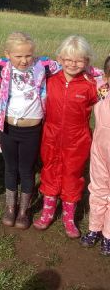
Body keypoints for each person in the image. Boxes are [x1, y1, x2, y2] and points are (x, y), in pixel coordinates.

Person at [34, 35, 99, 238]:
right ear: (60, 59)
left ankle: (69, 217)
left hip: (77, 138)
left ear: (86, 61)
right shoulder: (49, 80)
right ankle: (48, 211)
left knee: (72, 174)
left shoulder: (91, 85)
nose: (72, 64)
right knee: (50, 169)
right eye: (68, 59)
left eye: (78, 60)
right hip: (51, 135)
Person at [0, 32, 61, 229]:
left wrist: (101, 73)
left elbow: (71, 64)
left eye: (28, 55)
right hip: (7, 128)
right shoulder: (1, 66)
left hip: (31, 130)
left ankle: (23, 210)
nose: (24, 60)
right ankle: (10, 207)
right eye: (18, 56)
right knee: (10, 167)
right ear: (8, 54)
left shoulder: (43, 65)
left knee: (26, 169)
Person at [80, 55, 110, 255]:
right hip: (100, 150)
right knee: (98, 189)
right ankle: (94, 229)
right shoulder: (102, 89)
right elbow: (84, 70)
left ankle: (108, 235)